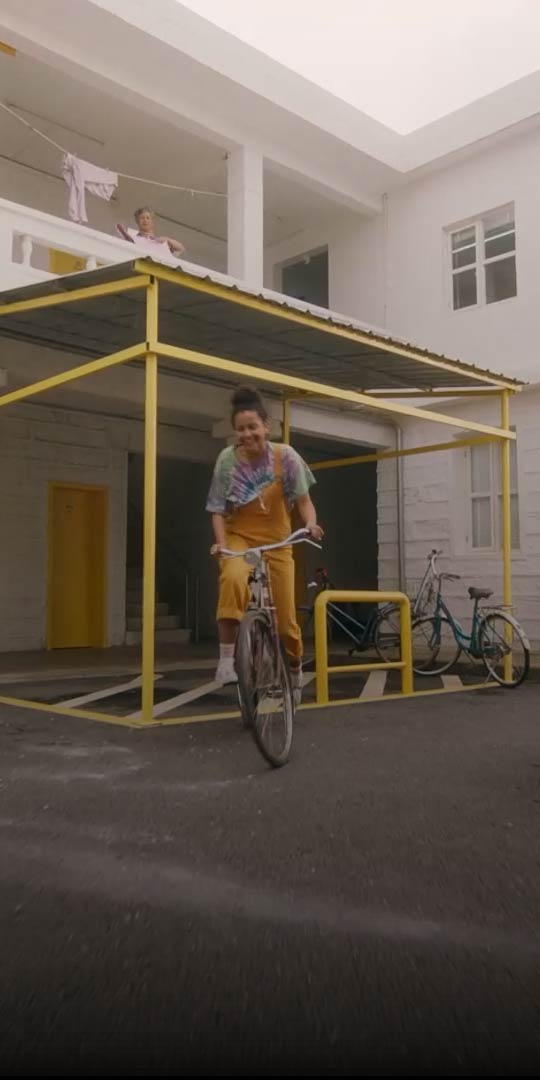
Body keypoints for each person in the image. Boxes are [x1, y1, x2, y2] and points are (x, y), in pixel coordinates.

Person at [206, 385, 324, 699]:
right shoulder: (227, 461)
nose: (247, 434)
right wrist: (221, 544)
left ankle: (294, 667)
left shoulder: (286, 457)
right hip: (240, 538)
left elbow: (304, 502)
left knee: (286, 623)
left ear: (266, 426)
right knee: (232, 578)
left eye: (252, 427)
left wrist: (310, 525)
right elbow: (217, 510)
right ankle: (226, 661)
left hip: (279, 542)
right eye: (240, 429)